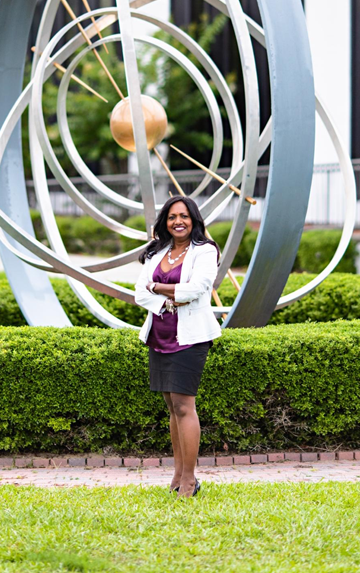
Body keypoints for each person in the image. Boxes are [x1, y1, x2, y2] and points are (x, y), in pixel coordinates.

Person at [135, 195, 222, 498]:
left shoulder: (205, 251)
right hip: (159, 335)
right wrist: (167, 298)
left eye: (184, 216)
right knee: (172, 407)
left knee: (185, 406)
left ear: (194, 219)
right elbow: (139, 294)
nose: (178, 222)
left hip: (191, 336)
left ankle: (190, 479)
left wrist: (158, 287)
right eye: (172, 217)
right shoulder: (156, 252)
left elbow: (198, 289)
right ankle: (176, 473)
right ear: (165, 222)